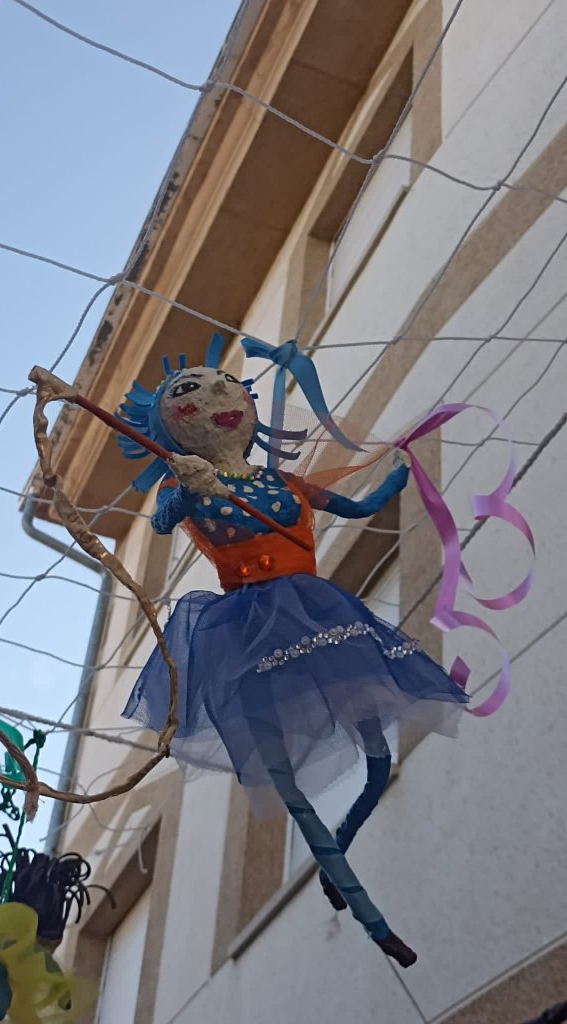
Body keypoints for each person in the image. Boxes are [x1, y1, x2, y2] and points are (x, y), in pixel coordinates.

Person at [120, 339, 469, 967]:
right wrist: (187, 486)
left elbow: (359, 507)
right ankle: (370, 916)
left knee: (378, 757)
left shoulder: (283, 482)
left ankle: (341, 848)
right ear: (170, 425)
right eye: (189, 391)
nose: (218, 396)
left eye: (226, 382)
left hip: (318, 614)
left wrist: (396, 478)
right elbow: (165, 521)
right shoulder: (187, 483)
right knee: (282, 779)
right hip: (242, 632)